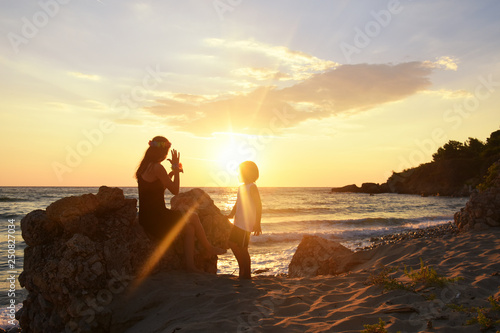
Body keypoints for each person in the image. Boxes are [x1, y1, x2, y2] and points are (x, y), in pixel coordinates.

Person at [136, 136, 226, 273]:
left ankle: (190, 267)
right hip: (157, 218)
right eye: (166, 151)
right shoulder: (157, 168)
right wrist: (176, 169)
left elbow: (155, 189)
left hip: (146, 218)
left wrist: (170, 173)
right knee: (194, 216)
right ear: (162, 152)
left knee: (190, 228)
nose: (166, 154)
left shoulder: (143, 168)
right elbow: (175, 190)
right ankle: (209, 247)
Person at [227, 161, 262, 279]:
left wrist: (258, 223)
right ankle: (242, 268)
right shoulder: (241, 187)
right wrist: (231, 214)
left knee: (243, 249)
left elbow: (258, 205)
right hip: (238, 222)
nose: (238, 174)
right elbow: (237, 203)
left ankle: (246, 274)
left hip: (246, 224)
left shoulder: (252, 187)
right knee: (232, 243)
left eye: (240, 172)